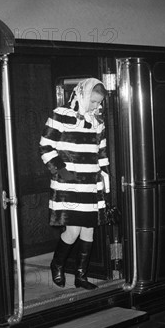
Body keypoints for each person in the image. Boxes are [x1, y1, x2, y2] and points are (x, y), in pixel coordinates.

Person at [39, 77, 110, 290]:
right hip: (68, 184)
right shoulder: (60, 115)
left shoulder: (98, 122)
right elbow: (45, 146)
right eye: (94, 102)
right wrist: (62, 171)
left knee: (89, 230)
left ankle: (81, 276)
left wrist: (105, 183)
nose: (96, 107)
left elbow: (102, 155)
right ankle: (57, 265)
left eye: (99, 103)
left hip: (91, 184)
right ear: (83, 95)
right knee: (73, 231)